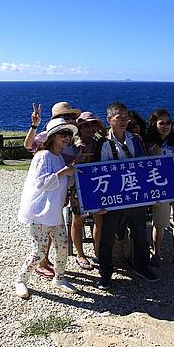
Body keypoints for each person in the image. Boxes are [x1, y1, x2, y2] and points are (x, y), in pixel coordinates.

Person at [15, 118, 80, 299]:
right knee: (39, 251)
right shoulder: (43, 156)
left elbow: (63, 182)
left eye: (69, 134)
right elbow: (41, 182)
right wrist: (63, 172)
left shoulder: (59, 157)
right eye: (63, 134)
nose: (67, 138)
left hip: (54, 212)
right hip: (40, 213)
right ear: (52, 136)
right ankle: (21, 280)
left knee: (62, 246)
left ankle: (59, 278)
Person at [96, 102, 158, 290]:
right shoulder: (104, 143)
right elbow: (100, 172)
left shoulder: (136, 140)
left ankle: (142, 267)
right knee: (107, 239)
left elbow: (144, 165)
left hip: (135, 197)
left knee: (141, 235)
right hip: (113, 200)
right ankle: (105, 274)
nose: (124, 121)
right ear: (110, 120)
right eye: (119, 118)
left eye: (126, 118)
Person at [145, 109, 174, 270]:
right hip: (161, 188)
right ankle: (156, 253)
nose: (166, 126)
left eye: (168, 122)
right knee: (159, 223)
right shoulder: (149, 143)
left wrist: (161, 160)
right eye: (161, 122)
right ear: (154, 124)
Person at [70, 112, 105, 269]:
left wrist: (101, 129)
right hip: (79, 189)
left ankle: (98, 252)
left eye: (92, 125)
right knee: (78, 221)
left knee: (99, 220)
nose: (89, 128)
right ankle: (80, 254)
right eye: (85, 125)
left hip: (99, 186)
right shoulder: (74, 147)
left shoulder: (101, 143)